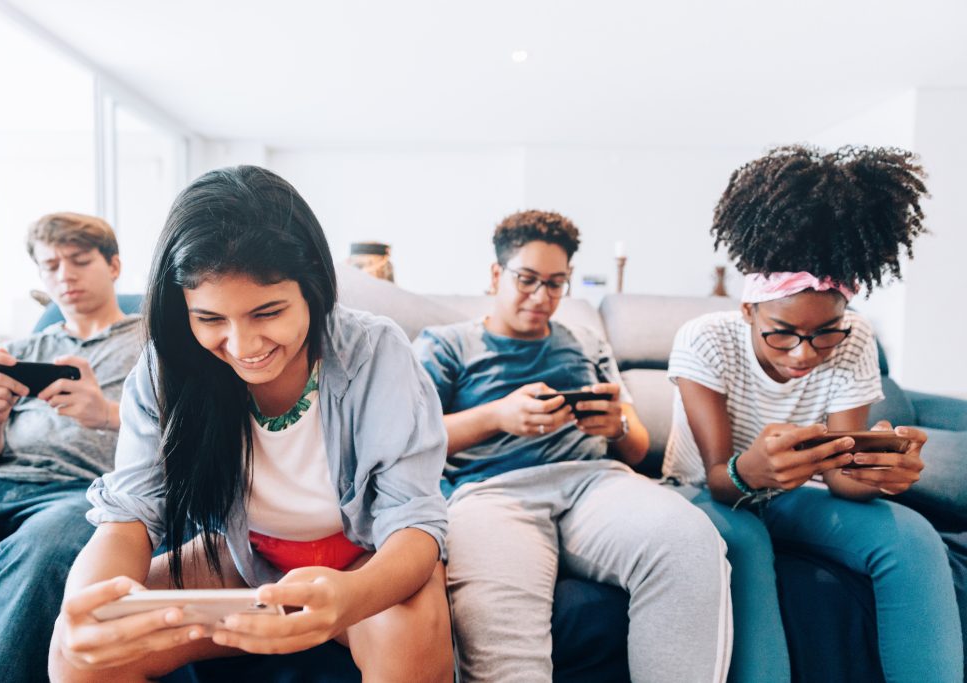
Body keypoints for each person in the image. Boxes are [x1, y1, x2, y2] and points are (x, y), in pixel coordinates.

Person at [48, 166, 453, 683]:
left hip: (368, 559)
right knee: (77, 653)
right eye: (211, 319)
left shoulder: (376, 352)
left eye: (267, 312)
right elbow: (129, 513)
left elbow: (415, 522)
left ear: (313, 289)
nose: (243, 347)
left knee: (407, 651)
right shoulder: (167, 364)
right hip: (247, 554)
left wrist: (350, 598)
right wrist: (85, 613)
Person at [664, 145, 963, 683]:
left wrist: (879, 474)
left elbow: (842, 479)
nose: (804, 353)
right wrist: (748, 471)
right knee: (747, 545)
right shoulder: (705, 340)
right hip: (704, 491)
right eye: (782, 333)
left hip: (799, 497)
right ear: (749, 309)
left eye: (825, 332)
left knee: (912, 536)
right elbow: (717, 479)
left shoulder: (856, 340)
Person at [414, 210, 732, 682]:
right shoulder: (445, 346)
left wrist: (616, 426)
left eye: (556, 283)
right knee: (500, 627)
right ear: (496, 274)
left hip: (594, 483)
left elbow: (638, 445)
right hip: (492, 493)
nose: (542, 297)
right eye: (527, 280)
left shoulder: (586, 340)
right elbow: (409, 444)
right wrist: (497, 416)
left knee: (689, 542)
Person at [0, 212, 142, 683]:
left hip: (80, 492)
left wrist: (106, 413)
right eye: (50, 265)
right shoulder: (21, 349)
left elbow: (186, 428)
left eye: (78, 260)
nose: (64, 275)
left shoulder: (154, 341)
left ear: (113, 266)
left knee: (46, 546)